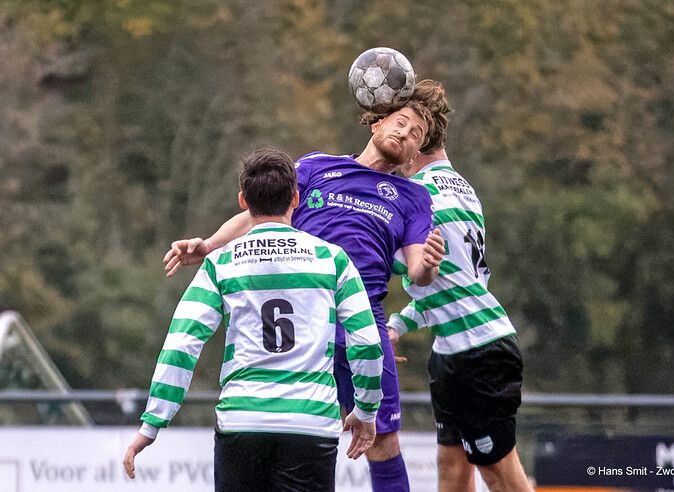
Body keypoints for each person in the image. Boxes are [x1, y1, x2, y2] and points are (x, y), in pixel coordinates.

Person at [161, 99, 446, 491]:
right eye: (400, 123)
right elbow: (258, 214)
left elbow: (417, 271)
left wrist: (429, 265)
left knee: (383, 441)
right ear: (377, 123)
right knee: (282, 418)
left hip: (362, 319)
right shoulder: (317, 167)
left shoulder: (413, 198)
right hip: (305, 316)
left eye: (415, 135)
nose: (404, 134)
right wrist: (208, 245)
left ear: (417, 152)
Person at [123, 149, 384, 492]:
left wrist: (152, 423)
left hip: (242, 420)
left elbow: (182, 343)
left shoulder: (221, 263)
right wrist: (366, 410)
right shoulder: (332, 260)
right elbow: (366, 342)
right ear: (295, 198)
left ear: (243, 201)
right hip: (309, 423)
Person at [387, 80, 533, 491]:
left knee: (499, 473)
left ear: (420, 137)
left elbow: (397, 261)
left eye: (404, 128)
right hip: (453, 350)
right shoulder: (460, 186)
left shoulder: (421, 195)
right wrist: (398, 324)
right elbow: (451, 284)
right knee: (451, 464)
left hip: (479, 352)